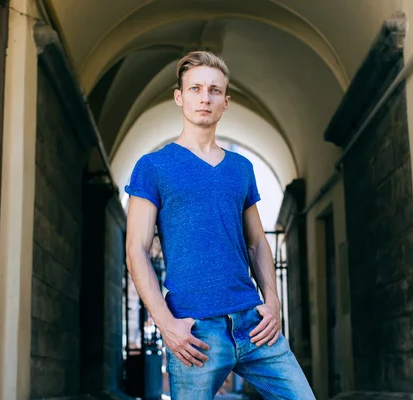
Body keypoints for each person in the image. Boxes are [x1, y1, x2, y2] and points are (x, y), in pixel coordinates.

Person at [124, 50, 316, 400]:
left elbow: (258, 243)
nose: (205, 97)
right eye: (195, 88)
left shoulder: (241, 168)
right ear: (179, 97)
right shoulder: (153, 167)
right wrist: (167, 325)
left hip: (253, 324)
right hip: (194, 332)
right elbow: (136, 250)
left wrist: (273, 303)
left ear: (225, 102)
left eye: (214, 90)